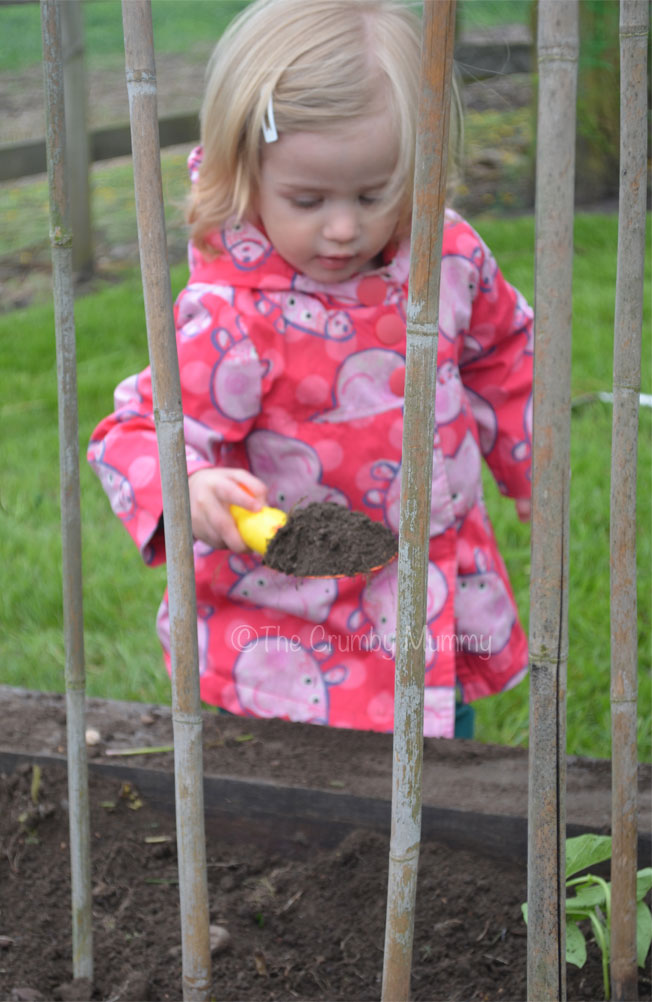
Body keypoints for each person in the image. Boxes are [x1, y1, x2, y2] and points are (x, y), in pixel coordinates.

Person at [88, 0, 533, 740]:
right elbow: (132, 430)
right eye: (307, 199)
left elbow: (505, 350)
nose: (343, 227)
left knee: (442, 785)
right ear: (244, 173)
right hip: (284, 644)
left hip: (428, 604)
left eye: (373, 193)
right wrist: (188, 486)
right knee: (298, 815)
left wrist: (530, 467)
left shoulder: (446, 258)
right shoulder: (233, 315)